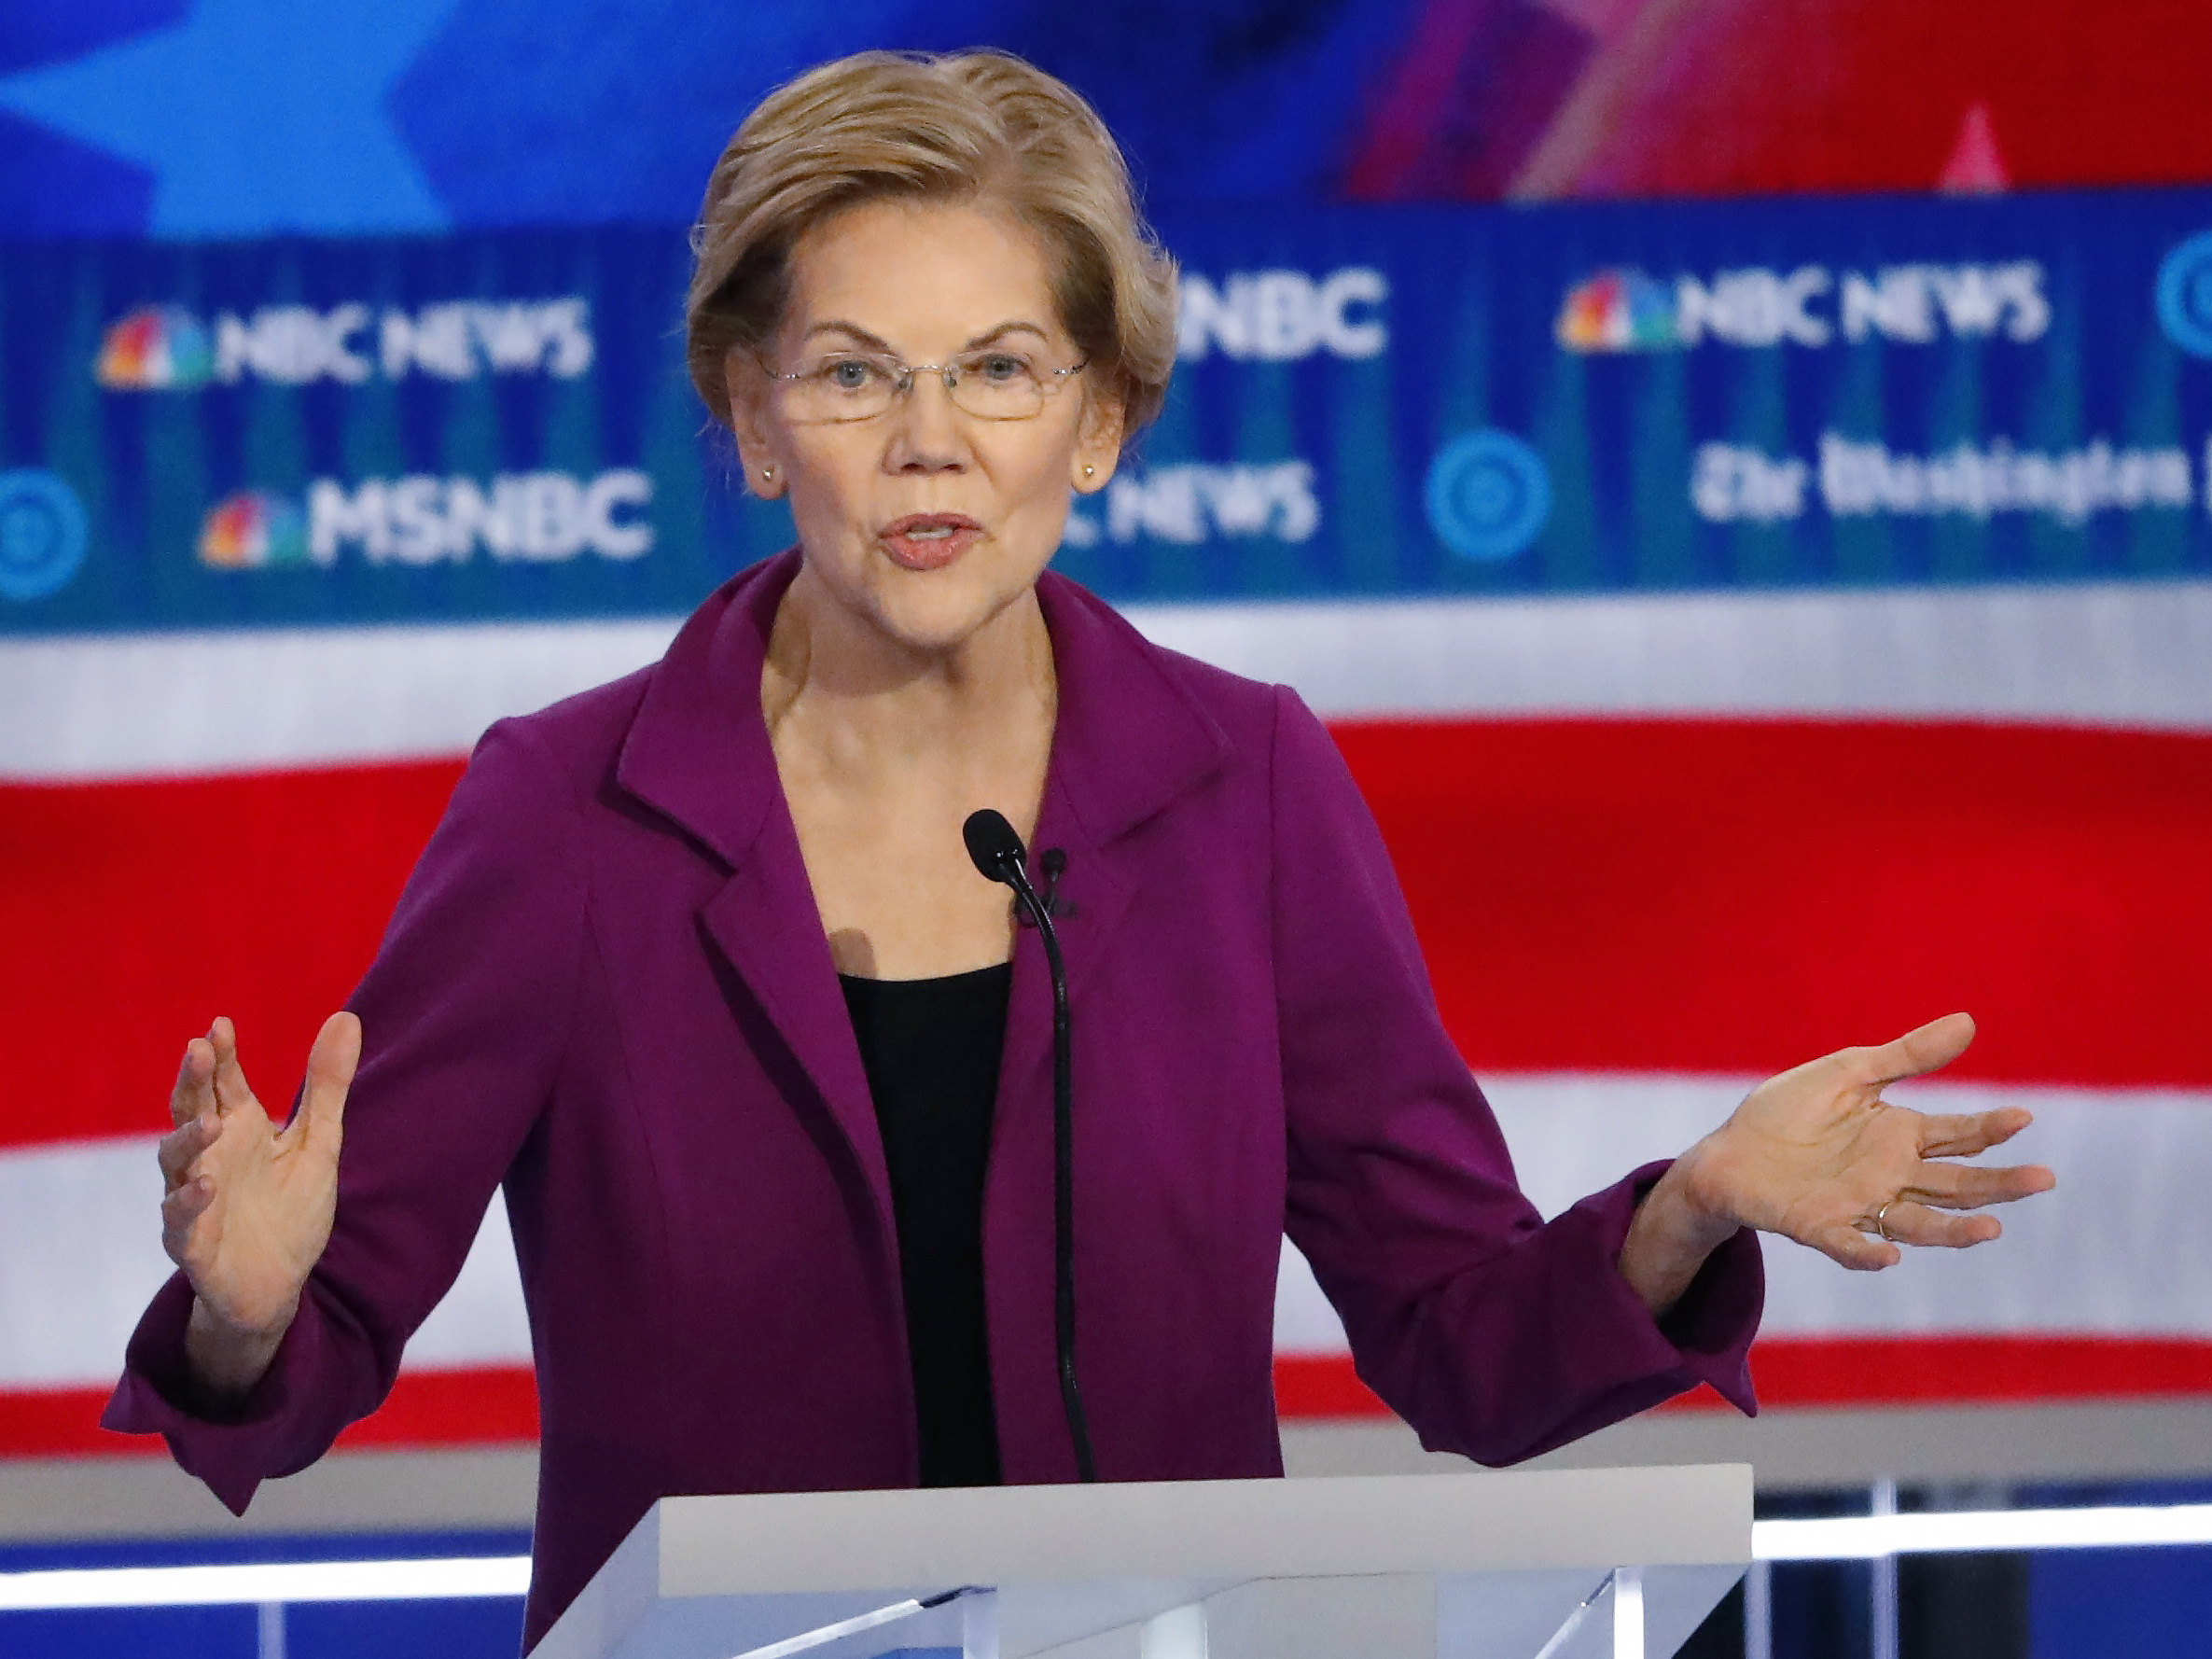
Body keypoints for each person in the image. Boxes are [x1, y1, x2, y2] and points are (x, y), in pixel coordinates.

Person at [104, 49, 2054, 1652]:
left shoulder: (1244, 789)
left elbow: (1456, 1335)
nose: (931, 441)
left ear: (1101, 424)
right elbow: (293, 1362)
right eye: (856, 371)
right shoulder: (570, 810)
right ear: (754, 418)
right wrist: (250, 1304)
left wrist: (1687, 1206)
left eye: (1003, 369)